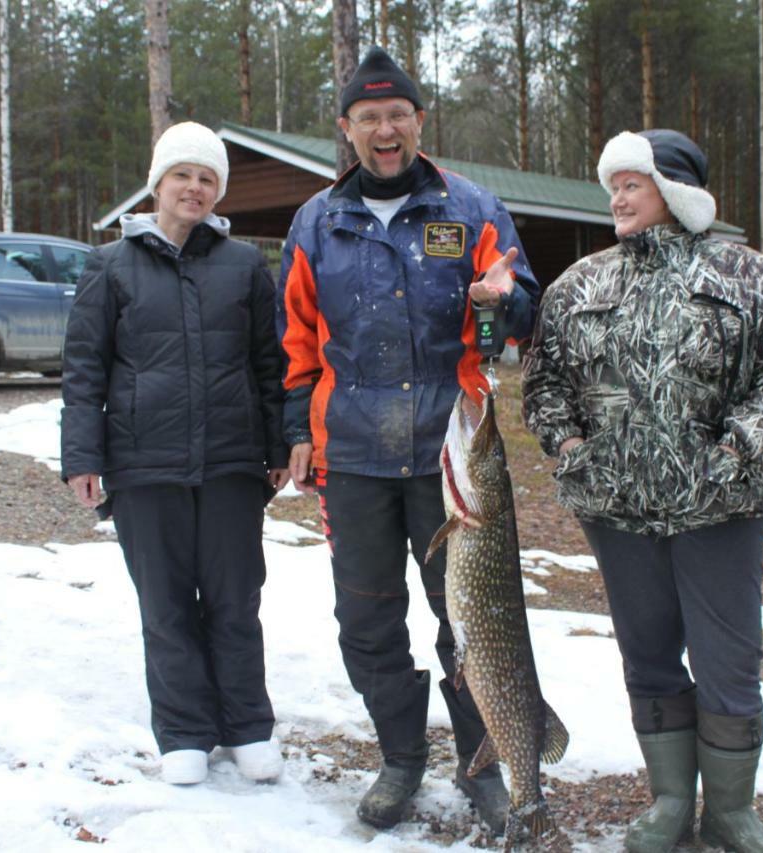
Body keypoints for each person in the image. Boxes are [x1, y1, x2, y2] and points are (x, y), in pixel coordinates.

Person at [522, 129, 763, 853]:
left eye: (633, 183)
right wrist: (570, 447)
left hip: (721, 505)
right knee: (649, 655)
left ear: (677, 191)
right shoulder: (579, 285)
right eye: (613, 185)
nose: (616, 197)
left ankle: (731, 810)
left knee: (728, 660)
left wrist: (739, 443)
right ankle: (668, 801)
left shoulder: (754, 278)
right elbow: (543, 384)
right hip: (615, 509)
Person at [276, 47, 540, 834]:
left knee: (474, 621)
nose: (385, 130)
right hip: (350, 458)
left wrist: (507, 295)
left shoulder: (472, 208)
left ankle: (484, 759)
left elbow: (522, 305)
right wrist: (296, 430)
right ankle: (401, 755)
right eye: (369, 118)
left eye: (398, 115)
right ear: (348, 129)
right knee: (366, 622)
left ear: (419, 121)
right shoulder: (315, 222)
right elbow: (294, 342)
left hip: (450, 459)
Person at [60, 121, 290, 787]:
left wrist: (275, 444)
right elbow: (83, 369)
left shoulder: (245, 265)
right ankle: (185, 731)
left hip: (231, 463)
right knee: (165, 605)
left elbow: (268, 366)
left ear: (218, 192)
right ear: (157, 182)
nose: (194, 187)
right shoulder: (109, 266)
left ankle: (247, 726)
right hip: (142, 464)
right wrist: (83, 456)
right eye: (182, 174)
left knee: (234, 599)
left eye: (207, 177)